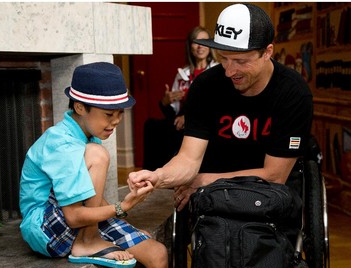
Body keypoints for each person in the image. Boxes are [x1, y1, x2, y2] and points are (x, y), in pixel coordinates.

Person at [129, 3, 313, 212]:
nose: (229, 71)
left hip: (267, 199)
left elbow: (275, 176)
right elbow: (188, 158)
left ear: (267, 52)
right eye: (223, 58)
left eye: (240, 61)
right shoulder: (205, 86)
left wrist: (205, 180)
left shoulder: (293, 93)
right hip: (213, 198)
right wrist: (158, 176)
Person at [19, 62, 168, 268]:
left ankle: (90, 239)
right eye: (109, 114)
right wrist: (123, 206)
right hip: (45, 229)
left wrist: (123, 224)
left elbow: (88, 197)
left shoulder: (88, 137)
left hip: (75, 219)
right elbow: (73, 217)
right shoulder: (61, 143)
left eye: (120, 113)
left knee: (158, 254)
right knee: (97, 153)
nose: (116, 121)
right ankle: (88, 242)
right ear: (79, 107)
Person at [143, 26, 218, 170]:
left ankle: (176, 172)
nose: (200, 46)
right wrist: (165, 102)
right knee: (151, 126)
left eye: (204, 41)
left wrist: (188, 117)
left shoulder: (217, 71)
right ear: (190, 47)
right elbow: (173, 113)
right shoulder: (182, 74)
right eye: (195, 42)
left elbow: (215, 105)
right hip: (182, 121)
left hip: (206, 121)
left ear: (210, 45)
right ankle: (152, 176)